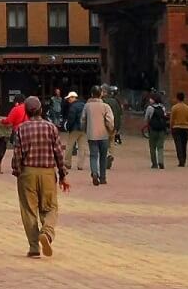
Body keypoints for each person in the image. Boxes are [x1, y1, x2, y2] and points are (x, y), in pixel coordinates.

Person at [11, 96, 70, 258]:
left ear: (26, 112)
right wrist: (63, 175)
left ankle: (34, 247)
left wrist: (17, 171)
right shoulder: (51, 128)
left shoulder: (21, 129)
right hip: (47, 173)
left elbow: (17, 154)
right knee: (50, 207)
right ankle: (47, 233)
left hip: (28, 173)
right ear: (41, 110)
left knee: (29, 210)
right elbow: (59, 153)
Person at [82, 85, 115, 186]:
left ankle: (95, 173)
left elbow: (83, 120)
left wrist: (85, 129)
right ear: (101, 94)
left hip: (92, 134)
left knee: (93, 155)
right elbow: (110, 120)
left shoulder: (87, 106)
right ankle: (103, 178)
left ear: (91, 94)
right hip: (103, 134)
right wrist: (110, 129)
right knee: (103, 157)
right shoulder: (105, 106)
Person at [144, 90, 168, 169]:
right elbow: (165, 117)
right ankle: (161, 161)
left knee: (152, 147)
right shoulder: (163, 108)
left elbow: (146, 119)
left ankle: (154, 163)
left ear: (153, 99)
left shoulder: (150, 108)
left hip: (152, 129)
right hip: (161, 129)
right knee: (160, 147)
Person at [63, 91, 87, 170]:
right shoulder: (84, 105)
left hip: (74, 129)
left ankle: (67, 163)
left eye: (69, 98)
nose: (68, 100)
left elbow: (71, 119)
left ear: (73, 98)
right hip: (83, 128)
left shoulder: (73, 107)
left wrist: (68, 127)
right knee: (82, 147)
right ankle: (80, 165)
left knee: (69, 146)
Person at [170, 92, 188, 167]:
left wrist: (171, 127)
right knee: (184, 145)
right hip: (185, 127)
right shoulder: (187, 108)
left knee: (178, 145)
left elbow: (172, 119)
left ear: (177, 98)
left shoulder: (174, 107)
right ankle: (184, 159)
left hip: (176, 127)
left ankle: (181, 160)